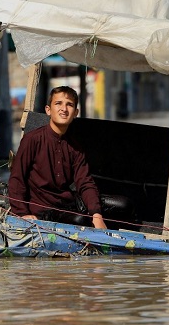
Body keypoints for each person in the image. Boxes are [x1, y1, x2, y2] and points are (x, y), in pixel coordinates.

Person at [8, 86, 110, 229]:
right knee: (80, 221)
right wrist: (22, 213)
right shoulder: (32, 140)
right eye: (58, 103)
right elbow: (17, 179)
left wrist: (96, 214)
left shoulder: (75, 147)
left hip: (67, 206)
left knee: (123, 205)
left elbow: (85, 183)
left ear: (76, 113)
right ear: (48, 110)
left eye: (69, 105)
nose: (64, 109)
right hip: (42, 211)